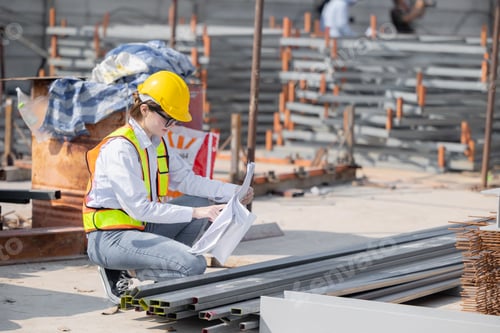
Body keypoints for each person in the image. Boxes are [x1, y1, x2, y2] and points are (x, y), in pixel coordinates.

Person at [82, 70, 254, 304]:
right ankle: (123, 272)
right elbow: (139, 209)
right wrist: (196, 213)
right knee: (194, 264)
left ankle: (163, 263)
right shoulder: (120, 149)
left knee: (202, 202)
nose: (171, 125)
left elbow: (188, 181)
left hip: (141, 229)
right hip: (111, 238)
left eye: (175, 120)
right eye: (168, 119)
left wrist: (233, 192)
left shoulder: (157, 143)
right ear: (145, 109)